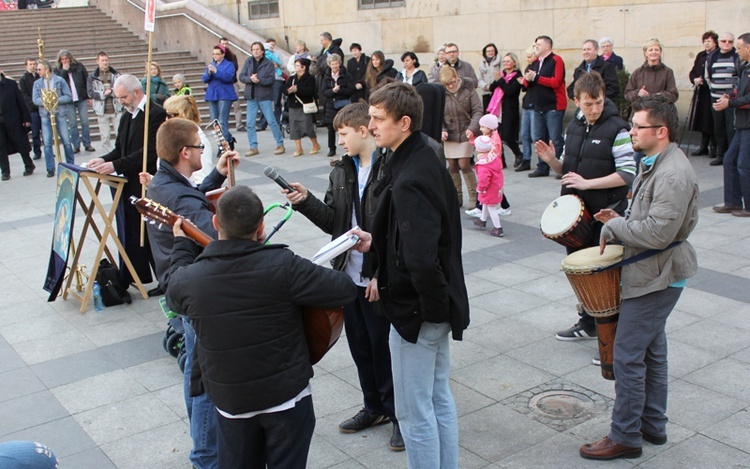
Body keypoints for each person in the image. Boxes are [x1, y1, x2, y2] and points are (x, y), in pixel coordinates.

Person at [165, 185, 357, 468]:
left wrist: (182, 245)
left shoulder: (189, 280)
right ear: (262, 226)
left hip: (232, 404)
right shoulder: (284, 265)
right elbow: (344, 289)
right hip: (287, 398)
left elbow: (172, 290)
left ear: (217, 223)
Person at [351, 81, 469, 467]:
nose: (370, 125)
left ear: (404, 122)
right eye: (369, 116)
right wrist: (377, 242)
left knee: (415, 414)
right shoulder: (417, 155)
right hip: (433, 307)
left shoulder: (413, 171)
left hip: (418, 313)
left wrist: (428, 312)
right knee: (438, 399)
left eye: (377, 119)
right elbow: (415, 236)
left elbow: (422, 257)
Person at [580, 94, 698, 461]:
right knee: (652, 351)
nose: (631, 131)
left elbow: (658, 233)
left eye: (637, 126)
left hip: (657, 274)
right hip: (654, 271)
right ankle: (652, 424)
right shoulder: (657, 161)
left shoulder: (673, 173)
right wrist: (620, 222)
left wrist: (617, 225)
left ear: (660, 131)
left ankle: (626, 435)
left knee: (628, 355)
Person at [282, 102, 402, 451]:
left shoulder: (388, 169)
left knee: (385, 351)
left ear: (364, 131)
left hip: (379, 279)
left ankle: (398, 415)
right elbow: (334, 224)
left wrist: (382, 272)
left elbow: (395, 229)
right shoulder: (341, 170)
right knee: (361, 348)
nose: (340, 140)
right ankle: (374, 407)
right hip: (348, 277)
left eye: (344, 133)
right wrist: (304, 201)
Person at [143, 117, 240, 469]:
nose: (203, 151)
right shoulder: (178, 196)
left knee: (195, 369)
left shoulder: (164, 183)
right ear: (185, 152)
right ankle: (205, 456)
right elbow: (215, 237)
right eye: (200, 148)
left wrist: (215, 175)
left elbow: (191, 197)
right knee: (201, 377)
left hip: (180, 286)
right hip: (195, 290)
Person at [536, 71, 636, 344]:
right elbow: (567, 170)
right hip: (577, 213)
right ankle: (589, 323)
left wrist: (588, 183)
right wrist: (552, 160)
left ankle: (612, 339)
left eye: (599, 102)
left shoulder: (618, 128)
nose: (594, 109)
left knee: (604, 277)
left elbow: (627, 173)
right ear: (576, 101)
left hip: (605, 213)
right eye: (588, 103)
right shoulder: (574, 126)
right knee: (581, 272)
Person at [87, 74, 167, 289]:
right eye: (118, 98)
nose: (120, 102)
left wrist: (116, 165)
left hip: (147, 180)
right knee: (131, 230)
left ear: (136, 92)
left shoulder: (156, 114)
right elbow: (120, 149)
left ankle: (163, 278)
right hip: (127, 182)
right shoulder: (126, 116)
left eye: (123, 97)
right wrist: (104, 159)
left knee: (151, 232)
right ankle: (137, 275)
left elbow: (150, 151)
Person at [712, 32, 750, 217]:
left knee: (744, 164)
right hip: (742, 124)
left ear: (748, 48)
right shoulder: (744, 67)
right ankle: (733, 202)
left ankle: (748, 206)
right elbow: (739, 89)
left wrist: (731, 103)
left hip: (749, 125)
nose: (738, 50)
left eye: (740, 47)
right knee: (729, 160)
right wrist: (730, 95)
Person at [524, 35, 567, 178]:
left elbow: (556, 82)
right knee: (539, 138)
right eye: (535, 44)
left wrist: (536, 77)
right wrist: (528, 78)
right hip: (538, 106)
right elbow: (527, 84)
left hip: (553, 105)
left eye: (539, 44)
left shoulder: (556, 60)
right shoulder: (535, 62)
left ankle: (560, 168)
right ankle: (542, 167)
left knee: (555, 138)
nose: (536, 47)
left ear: (547, 46)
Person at [440, 66, 482, 209]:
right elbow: (438, 115)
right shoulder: (441, 93)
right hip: (450, 133)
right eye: (447, 84)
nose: (451, 86)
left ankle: (473, 196)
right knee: (452, 165)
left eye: (453, 82)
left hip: (466, 131)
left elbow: (477, 110)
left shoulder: (468, 88)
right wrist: (443, 129)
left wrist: (472, 128)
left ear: (457, 77)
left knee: (464, 164)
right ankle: (456, 196)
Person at [239, 41, 285, 157]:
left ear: (262, 51)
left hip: (264, 96)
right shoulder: (248, 62)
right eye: (253, 49)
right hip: (251, 96)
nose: (255, 51)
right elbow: (241, 76)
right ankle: (253, 147)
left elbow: (271, 80)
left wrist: (259, 80)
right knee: (250, 123)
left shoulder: (268, 63)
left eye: (257, 49)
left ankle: (280, 143)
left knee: (271, 121)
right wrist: (250, 79)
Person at [32, 59, 75, 178]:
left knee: (66, 141)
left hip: (59, 113)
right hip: (45, 115)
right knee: (47, 143)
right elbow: (35, 99)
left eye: (39, 69)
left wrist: (55, 100)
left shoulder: (59, 81)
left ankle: (71, 164)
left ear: (47, 69)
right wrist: (46, 102)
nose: (37, 71)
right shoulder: (37, 84)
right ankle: (50, 168)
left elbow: (68, 96)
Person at [465, 113, 512, 218]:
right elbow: (482, 144)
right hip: (491, 166)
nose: (481, 129)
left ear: (490, 127)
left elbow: (491, 150)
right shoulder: (490, 136)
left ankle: (480, 208)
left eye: (483, 127)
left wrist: (483, 156)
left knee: (483, 185)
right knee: (494, 187)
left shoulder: (494, 139)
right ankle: (504, 206)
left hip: (489, 167)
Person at [163, 95, 214, 184]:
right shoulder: (175, 137)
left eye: (169, 115)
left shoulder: (199, 141)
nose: (166, 119)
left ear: (182, 115)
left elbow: (202, 181)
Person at [706, 32, 740, 167]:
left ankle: (732, 156)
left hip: (731, 100)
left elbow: (740, 79)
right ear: (719, 42)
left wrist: (731, 94)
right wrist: (714, 91)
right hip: (715, 98)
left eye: (730, 41)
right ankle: (721, 155)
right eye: (724, 41)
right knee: (718, 128)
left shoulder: (737, 57)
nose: (727, 44)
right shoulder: (712, 56)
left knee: (731, 128)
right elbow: (708, 76)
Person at [55, 49, 94, 153]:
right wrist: (64, 70)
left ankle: (87, 143)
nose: (65, 61)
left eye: (66, 58)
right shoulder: (58, 70)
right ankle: (76, 145)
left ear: (70, 58)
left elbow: (87, 80)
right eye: (62, 59)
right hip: (68, 100)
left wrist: (89, 96)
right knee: (72, 123)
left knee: (85, 121)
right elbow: (59, 83)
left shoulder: (79, 66)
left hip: (81, 97)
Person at [489, 52, 523, 168]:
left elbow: (510, 91)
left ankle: (518, 154)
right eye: (504, 61)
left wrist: (500, 80)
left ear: (514, 63)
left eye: (508, 61)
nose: (505, 63)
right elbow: (492, 88)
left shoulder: (517, 76)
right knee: (496, 136)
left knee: (508, 137)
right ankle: (501, 161)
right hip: (498, 109)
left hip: (509, 110)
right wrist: (497, 79)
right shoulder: (502, 75)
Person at [0, 69, 35, 181]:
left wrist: (26, 118)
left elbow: (20, 101)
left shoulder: (10, 84)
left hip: (13, 119)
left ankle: (29, 165)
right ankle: (5, 171)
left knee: (21, 143)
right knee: (1, 147)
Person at [688, 31, 718, 157]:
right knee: (703, 120)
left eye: (709, 41)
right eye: (704, 41)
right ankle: (703, 146)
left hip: (713, 92)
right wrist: (695, 79)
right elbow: (693, 71)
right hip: (701, 93)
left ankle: (714, 147)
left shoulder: (718, 55)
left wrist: (705, 81)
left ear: (715, 42)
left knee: (713, 121)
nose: (706, 43)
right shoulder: (701, 55)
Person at [284, 58, 321, 157]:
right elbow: (284, 89)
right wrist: (289, 91)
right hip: (293, 106)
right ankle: (299, 148)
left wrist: (297, 89)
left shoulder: (310, 78)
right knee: (294, 128)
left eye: (297, 65)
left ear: (303, 67)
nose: (295, 67)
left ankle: (315, 144)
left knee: (308, 127)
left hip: (304, 106)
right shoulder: (291, 78)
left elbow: (310, 91)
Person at [202, 45, 238, 148]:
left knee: (222, 121)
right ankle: (228, 139)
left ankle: (224, 145)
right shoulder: (211, 64)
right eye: (213, 54)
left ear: (223, 54)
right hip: (212, 94)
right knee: (215, 122)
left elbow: (229, 78)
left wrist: (216, 72)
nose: (215, 56)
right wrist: (209, 73)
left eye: (217, 54)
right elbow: (204, 79)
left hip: (224, 94)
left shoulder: (229, 65)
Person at [87, 51, 122, 153]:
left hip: (116, 109)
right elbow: (90, 93)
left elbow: (121, 89)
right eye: (102, 60)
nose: (105, 63)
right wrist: (103, 94)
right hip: (101, 110)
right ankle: (108, 156)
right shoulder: (92, 77)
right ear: (97, 61)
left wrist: (111, 92)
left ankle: (120, 153)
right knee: (105, 136)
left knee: (119, 133)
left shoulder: (116, 74)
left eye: (106, 60)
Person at [321, 53, 355, 157]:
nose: (335, 66)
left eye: (336, 63)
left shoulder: (346, 75)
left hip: (343, 103)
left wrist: (340, 90)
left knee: (346, 126)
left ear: (339, 64)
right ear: (329, 65)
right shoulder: (326, 76)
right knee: (331, 127)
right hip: (331, 104)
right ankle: (331, 148)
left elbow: (351, 90)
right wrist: (333, 91)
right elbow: (324, 91)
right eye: (333, 64)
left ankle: (349, 146)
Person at [471, 136, 504, 237]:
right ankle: (482, 220)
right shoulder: (494, 157)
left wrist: (480, 188)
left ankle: (498, 228)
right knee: (486, 203)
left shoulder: (483, 164)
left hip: (489, 189)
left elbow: (483, 179)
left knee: (491, 207)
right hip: (497, 186)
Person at [255, 39, 285, 131]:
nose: (272, 47)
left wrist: (277, 65)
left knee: (276, 102)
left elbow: (283, 65)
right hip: (266, 80)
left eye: (273, 45)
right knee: (264, 102)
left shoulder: (277, 54)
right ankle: (263, 123)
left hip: (277, 79)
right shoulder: (262, 56)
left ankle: (277, 122)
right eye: (270, 45)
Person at [516, 46, 537, 173]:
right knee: (524, 134)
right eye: (527, 57)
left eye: (530, 57)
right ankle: (526, 159)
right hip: (527, 103)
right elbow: (525, 88)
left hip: (535, 104)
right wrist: (523, 81)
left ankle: (542, 161)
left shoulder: (538, 67)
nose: (528, 59)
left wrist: (528, 80)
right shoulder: (528, 68)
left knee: (535, 135)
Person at [218, 37, 245, 132]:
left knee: (236, 104)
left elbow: (234, 68)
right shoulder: (217, 57)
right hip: (221, 84)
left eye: (226, 43)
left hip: (232, 83)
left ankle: (239, 124)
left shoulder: (232, 56)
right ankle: (223, 126)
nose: (225, 45)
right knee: (222, 106)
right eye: (223, 44)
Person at [18, 58, 42, 161]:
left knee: (45, 131)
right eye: (30, 64)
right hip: (32, 109)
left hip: (42, 107)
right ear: (26, 66)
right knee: (35, 132)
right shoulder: (23, 79)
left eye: (34, 64)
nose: (33, 66)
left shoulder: (39, 76)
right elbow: (24, 95)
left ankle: (47, 150)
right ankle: (37, 151)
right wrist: (33, 104)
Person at [478, 43, 501, 111]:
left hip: (497, 92)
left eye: (492, 51)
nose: (490, 53)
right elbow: (479, 79)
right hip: (486, 92)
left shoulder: (500, 61)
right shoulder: (482, 63)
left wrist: (493, 86)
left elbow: (502, 74)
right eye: (488, 51)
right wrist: (486, 86)